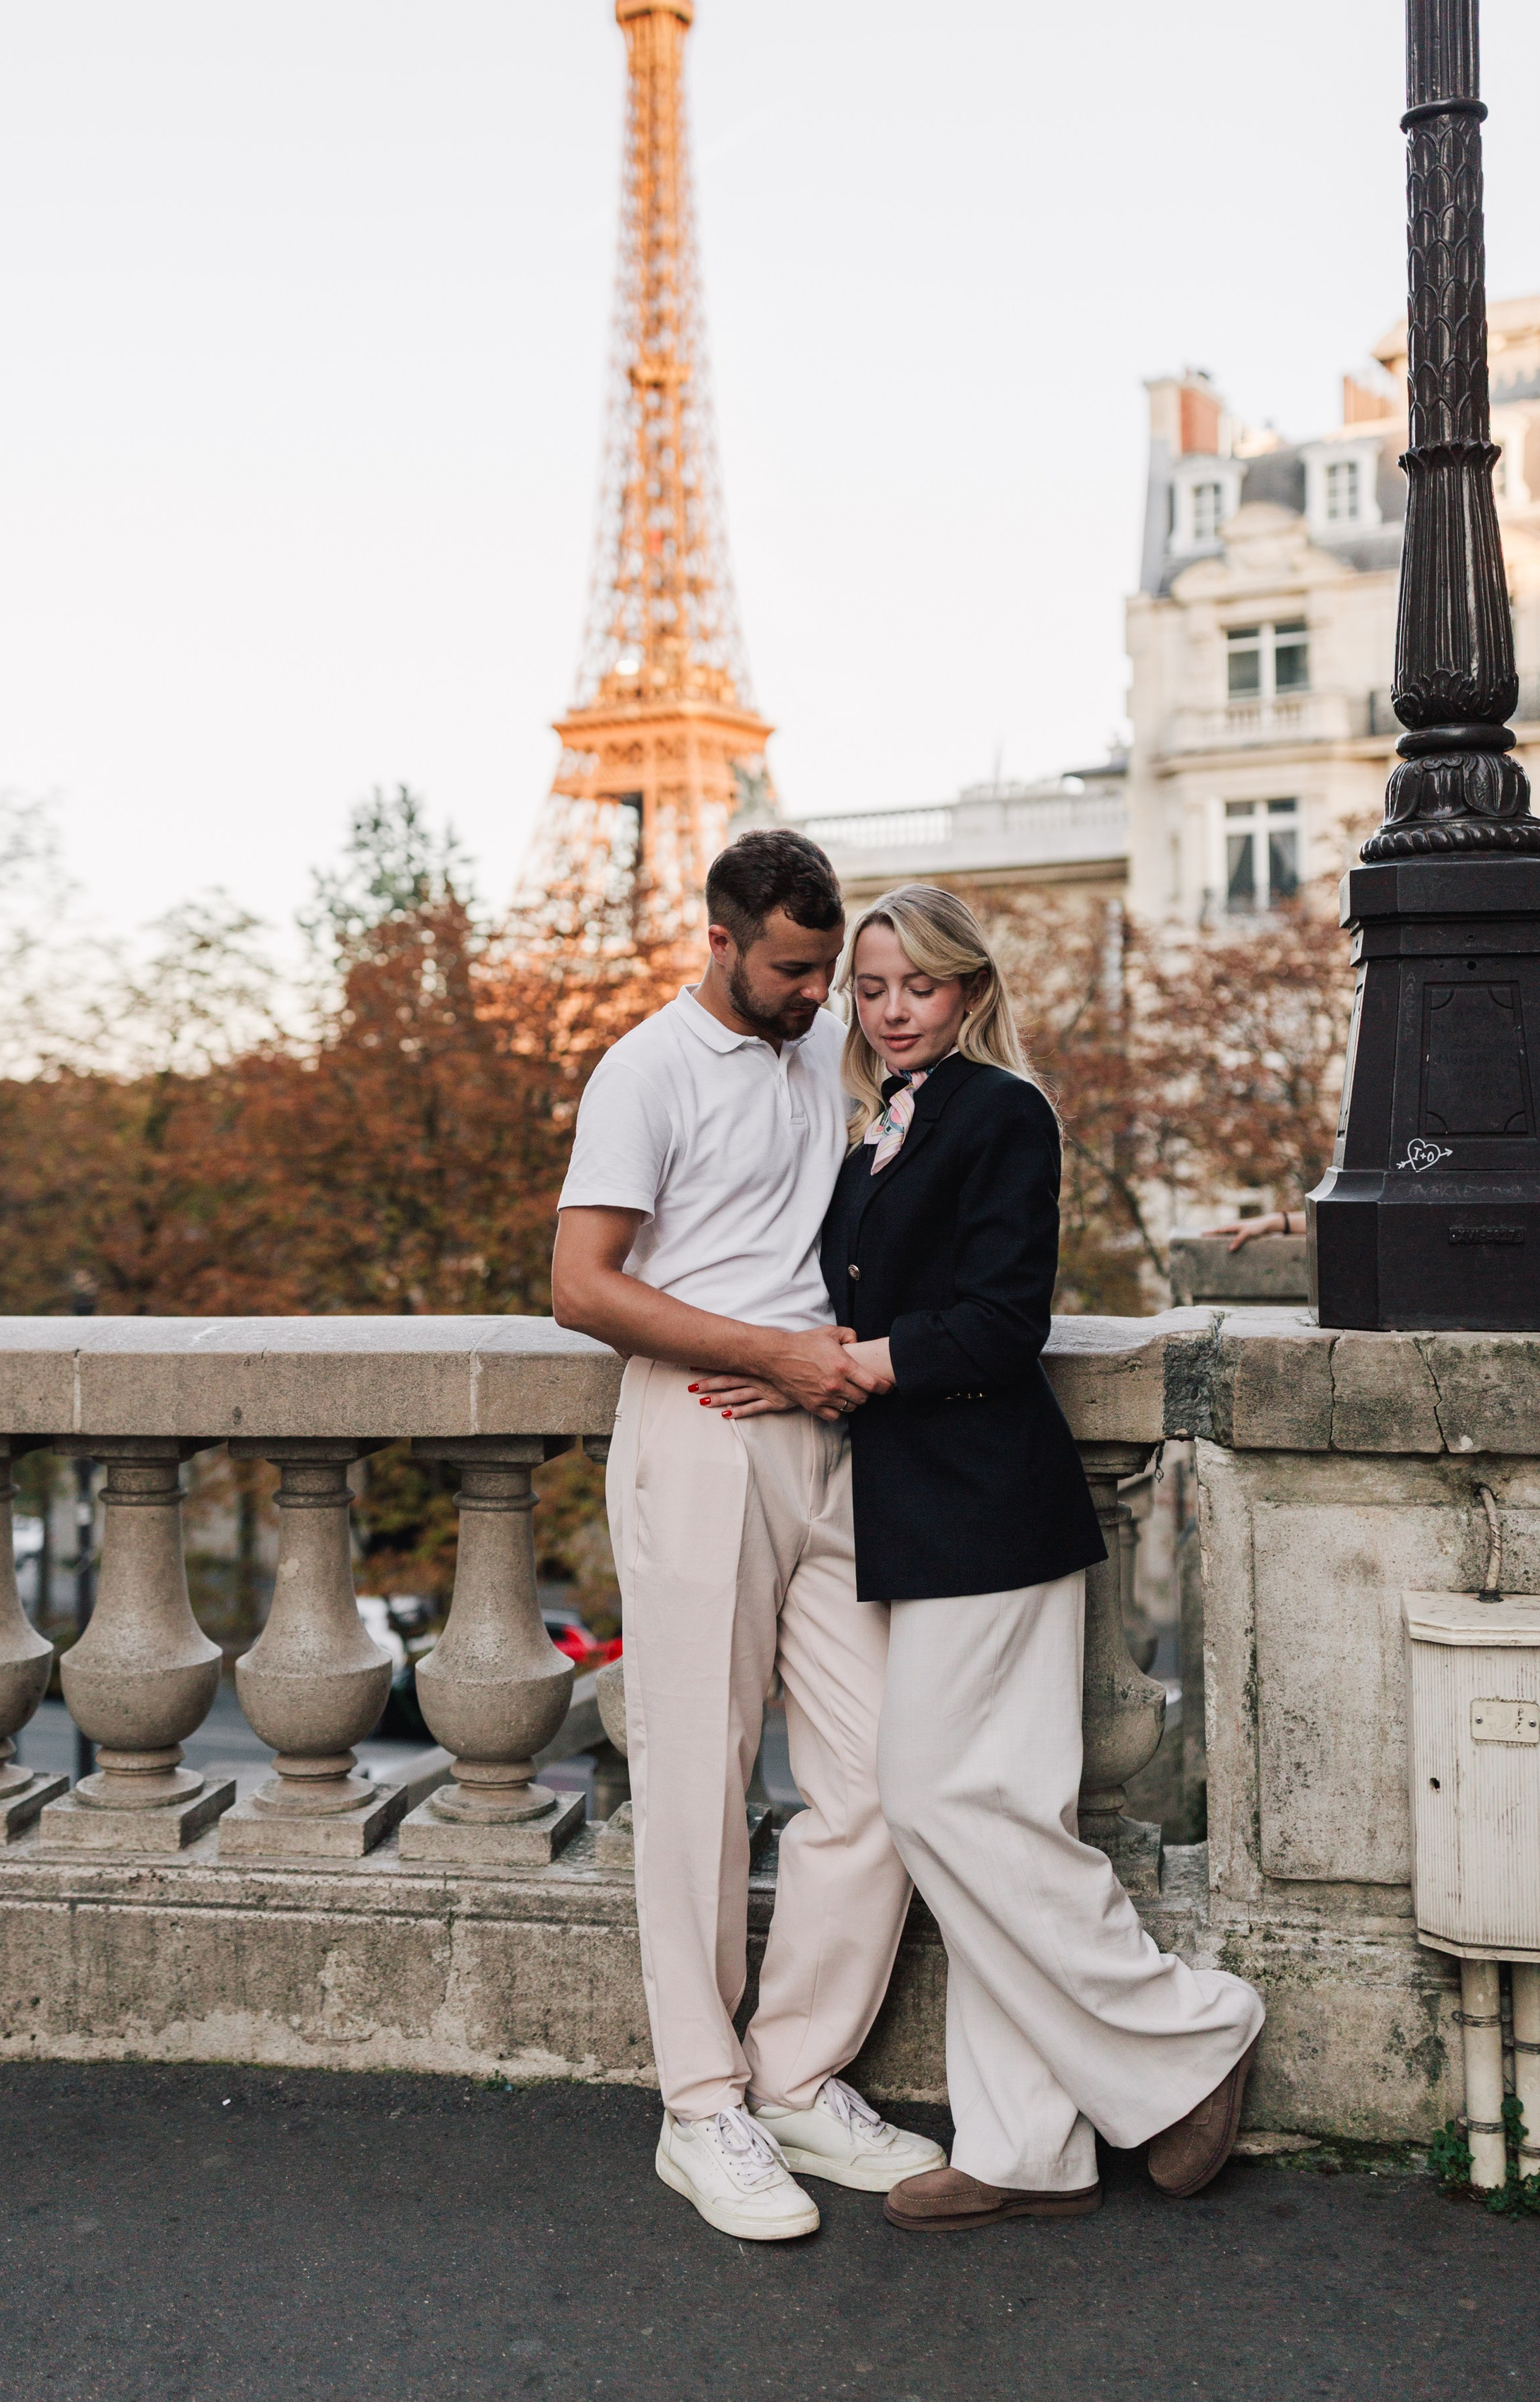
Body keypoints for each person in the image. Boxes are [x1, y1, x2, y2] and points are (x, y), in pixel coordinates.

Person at [700, 883, 1264, 2232]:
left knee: (945, 1801)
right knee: (991, 1813)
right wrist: (796, 1375)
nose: (893, 1011)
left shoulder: (1002, 1111)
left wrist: (849, 1365)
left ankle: (1191, 2032)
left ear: (969, 992)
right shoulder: (882, 1129)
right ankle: (1027, 2143)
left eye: (920, 988)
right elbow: (855, 1317)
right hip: (917, 1512)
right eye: (873, 989)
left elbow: (1001, 1322)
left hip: (991, 1511)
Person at [551, 829, 945, 2243]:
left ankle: (793, 2072)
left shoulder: (823, 1041)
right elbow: (579, 1286)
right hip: (700, 1430)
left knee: (885, 1767)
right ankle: (700, 2103)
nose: (815, 993)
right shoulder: (643, 1071)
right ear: (716, 941)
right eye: (790, 968)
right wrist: (760, 1352)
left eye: (824, 968)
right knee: (696, 1778)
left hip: (829, 1435)